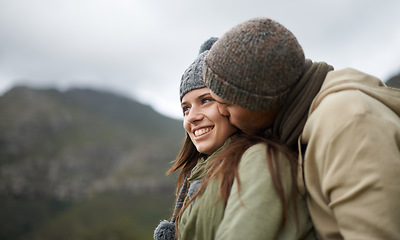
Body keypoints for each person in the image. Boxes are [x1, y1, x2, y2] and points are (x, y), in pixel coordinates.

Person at [202, 17, 400, 239]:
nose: (220, 112)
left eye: (226, 104)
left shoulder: (347, 123)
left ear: (260, 101)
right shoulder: (309, 123)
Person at [154, 38, 316, 240]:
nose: (191, 117)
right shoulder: (201, 173)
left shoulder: (261, 161)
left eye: (206, 100)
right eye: (186, 108)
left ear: (232, 103)